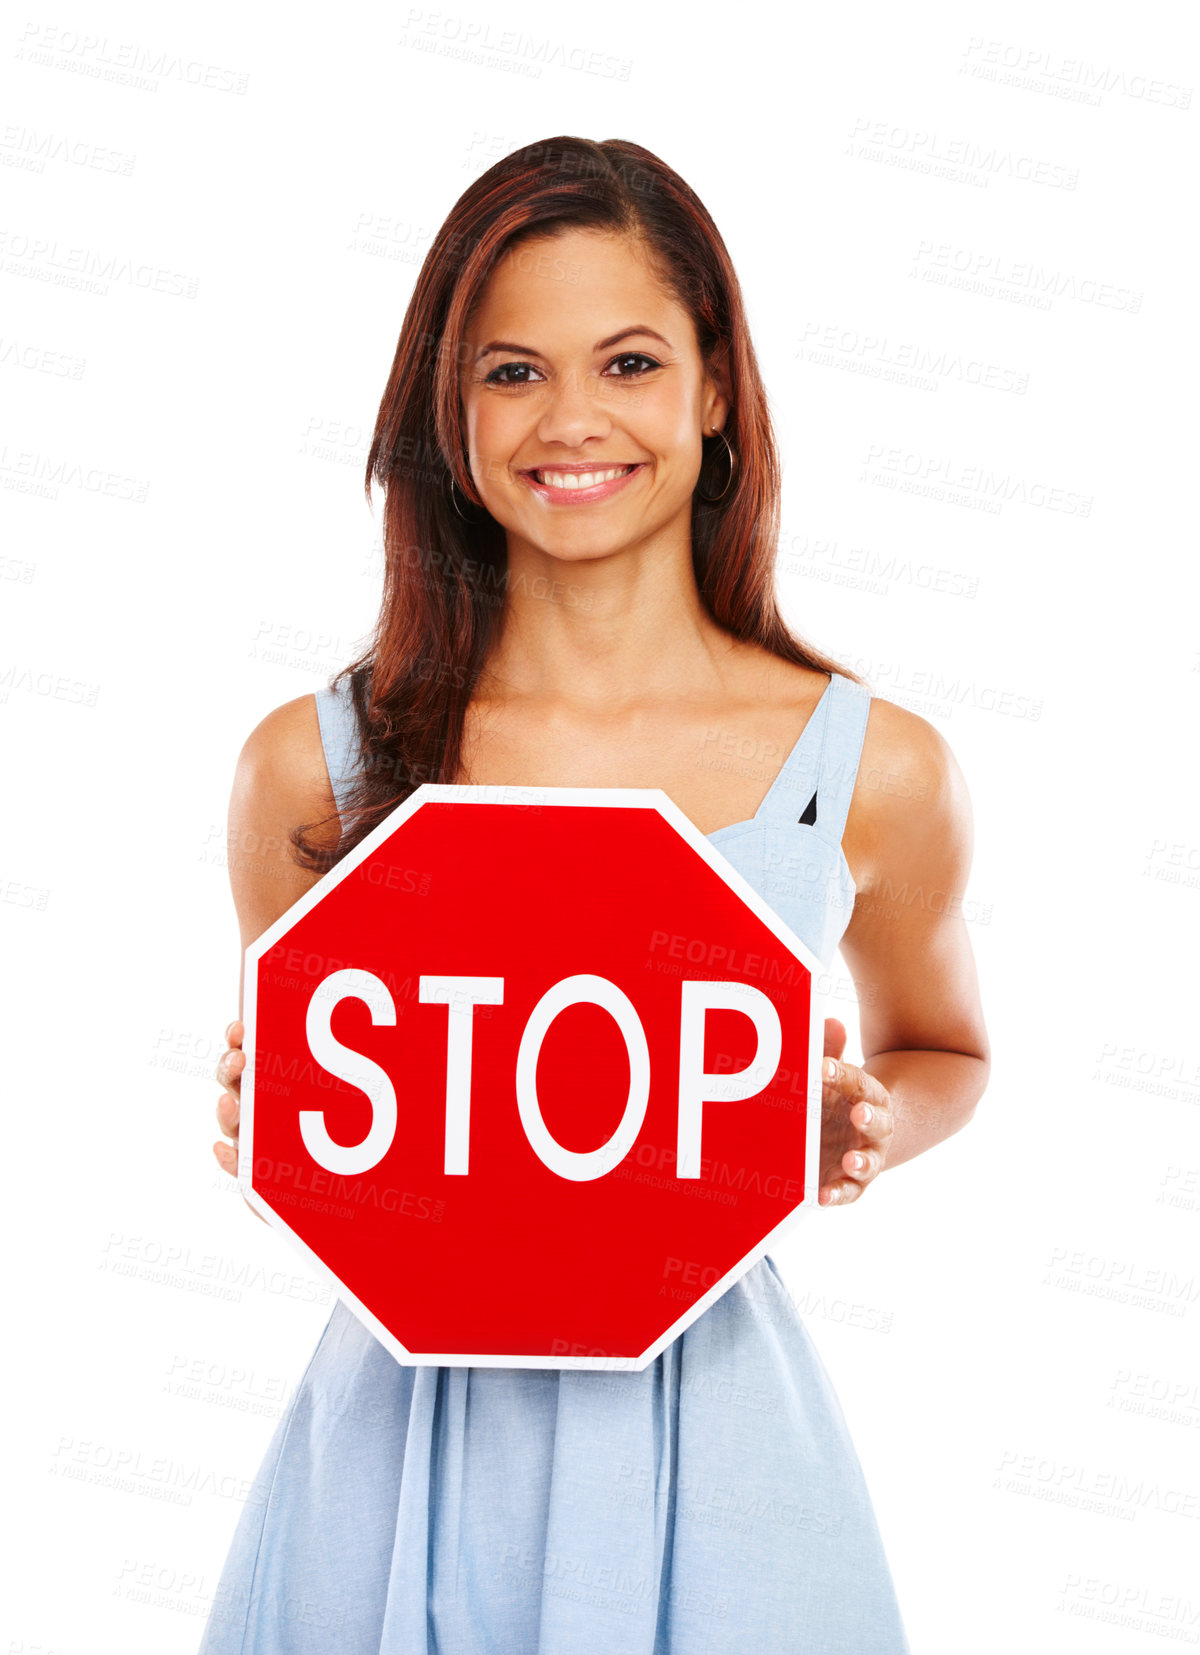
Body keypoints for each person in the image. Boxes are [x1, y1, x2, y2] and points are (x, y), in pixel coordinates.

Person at [201, 135, 990, 1654]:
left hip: (726, 1466)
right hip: (394, 1472)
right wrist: (270, 1115)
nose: (572, 422)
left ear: (712, 389)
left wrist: (864, 1127)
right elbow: (349, 1133)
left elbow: (943, 1050)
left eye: (627, 362)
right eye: (510, 373)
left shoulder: (872, 768)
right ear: (450, 411)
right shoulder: (313, 771)